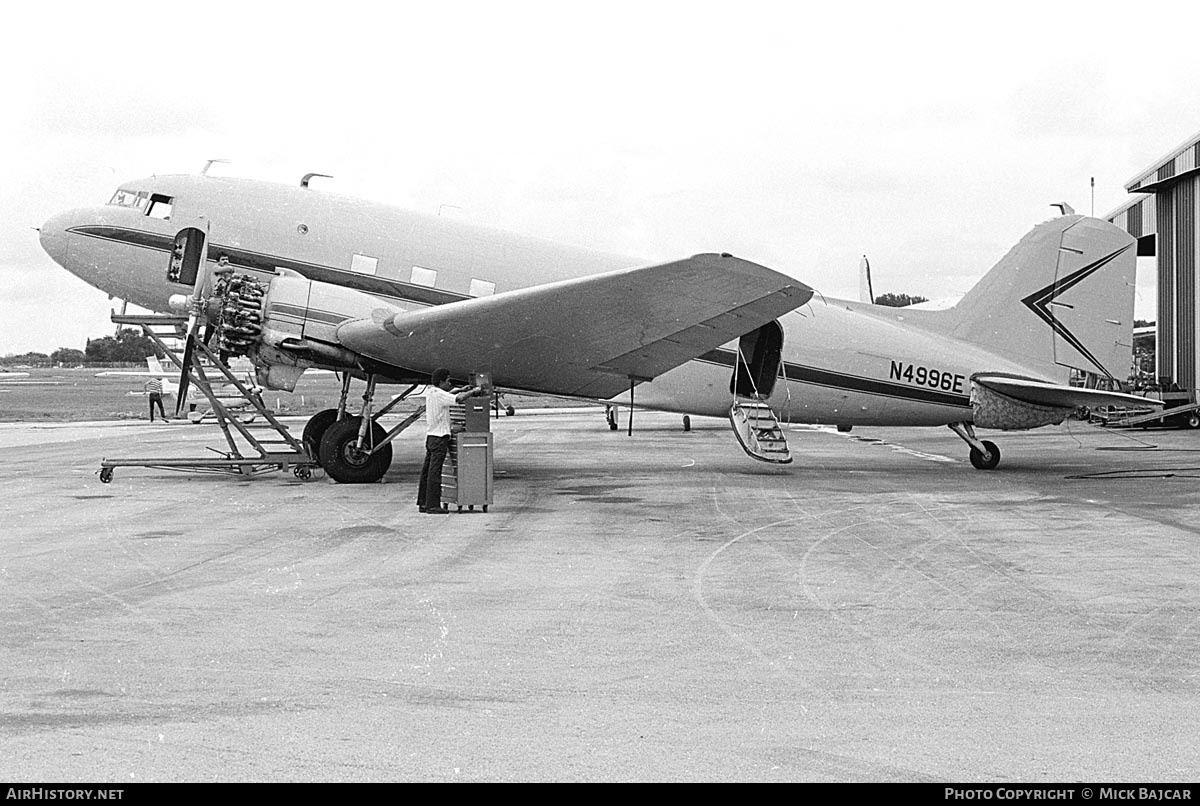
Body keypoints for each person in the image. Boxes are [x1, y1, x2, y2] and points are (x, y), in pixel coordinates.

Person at [418, 368, 482, 514]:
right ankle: (433, 505)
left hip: (431, 437)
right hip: (440, 438)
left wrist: (461, 389)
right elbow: (458, 399)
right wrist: (473, 391)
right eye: (447, 380)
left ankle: (423, 502)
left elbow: (448, 394)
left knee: (427, 472)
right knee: (435, 472)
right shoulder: (440, 395)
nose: (449, 383)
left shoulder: (431, 391)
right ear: (441, 382)